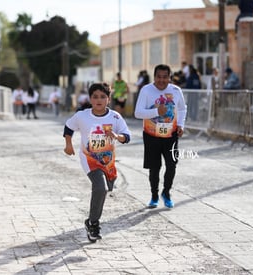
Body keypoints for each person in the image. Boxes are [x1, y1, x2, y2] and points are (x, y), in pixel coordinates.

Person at [63, 82, 131, 242]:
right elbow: (68, 127)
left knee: (105, 189)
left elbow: (126, 136)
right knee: (99, 187)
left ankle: (91, 220)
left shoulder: (115, 116)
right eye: (95, 97)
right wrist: (68, 144)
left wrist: (117, 137)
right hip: (89, 158)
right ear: (90, 99)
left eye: (102, 97)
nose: (99, 100)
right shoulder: (82, 115)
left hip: (107, 161)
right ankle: (94, 223)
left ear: (108, 99)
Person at [134, 64, 187, 209]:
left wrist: (181, 125)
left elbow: (182, 108)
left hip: (171, 134)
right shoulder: (146, 90)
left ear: (170, 77)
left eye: (165, 77)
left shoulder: (176, 91)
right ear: (154, 76)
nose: (161, 80)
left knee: (172, 164)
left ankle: (166, 192)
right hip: (151, 135)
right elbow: (138, 113)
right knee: (154, 167)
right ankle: (154, 195)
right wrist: (157, 112)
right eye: (159, 77)